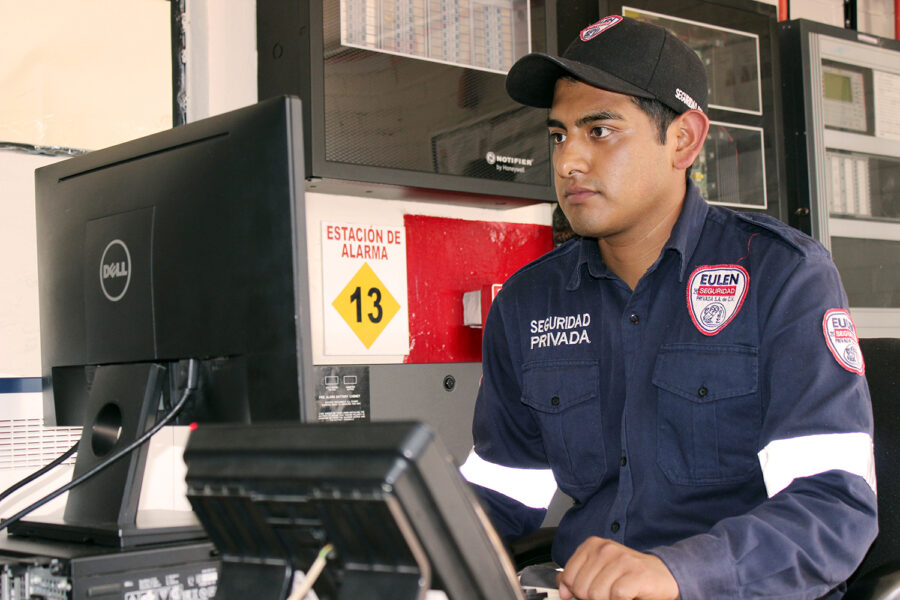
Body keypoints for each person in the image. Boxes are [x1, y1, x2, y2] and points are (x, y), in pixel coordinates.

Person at [460, 15, 878, 600]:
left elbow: (833, 510)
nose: (567, 163)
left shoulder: (783, 276)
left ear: (683, 139)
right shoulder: (530, 303)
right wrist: (395, 542)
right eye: (558, 135)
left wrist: (679, 573)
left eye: (599, 131)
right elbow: (505, 488)